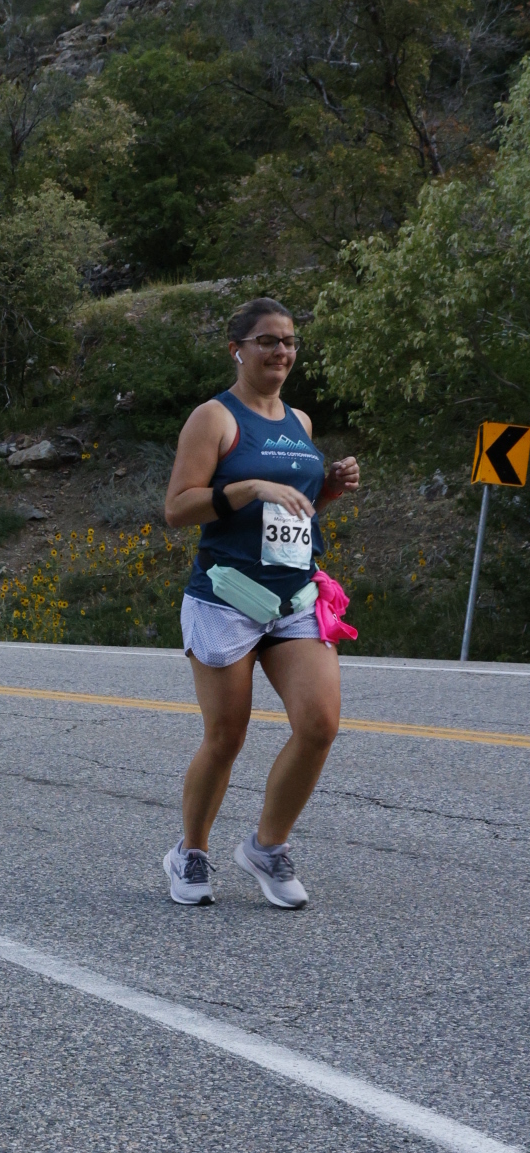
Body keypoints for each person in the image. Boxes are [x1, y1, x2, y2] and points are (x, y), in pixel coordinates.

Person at [162, 298, 360, 909]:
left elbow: (291, 513)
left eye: (290, 342)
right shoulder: (214, 418)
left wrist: (326, 491)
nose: (282, 351)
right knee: (227, 736)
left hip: (294, 594)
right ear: (237, 350)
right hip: (227, 595)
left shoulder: (299, 420)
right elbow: (177, 508)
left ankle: (267, 847)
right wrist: (247, 487)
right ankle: (191, 852)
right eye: (268, 341)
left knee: (319, 725)